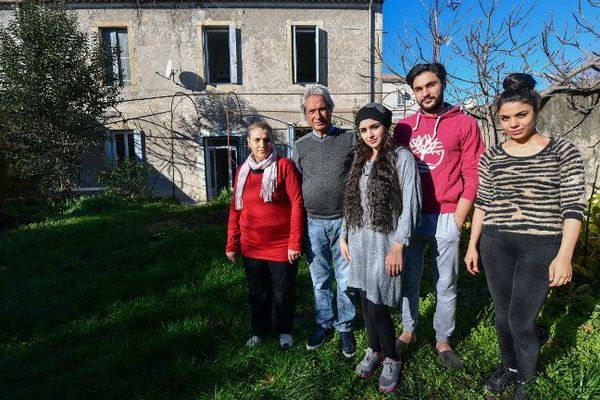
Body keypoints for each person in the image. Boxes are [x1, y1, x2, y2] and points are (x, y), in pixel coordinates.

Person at [464, 73, 586, 400]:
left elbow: (574, 207)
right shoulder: (491, 156)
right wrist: (473, 244)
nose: (513, 124)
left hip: (540, 246)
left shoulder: (564, 152)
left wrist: (564, 255)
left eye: (521, 115)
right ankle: (510, 367)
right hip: (495, 244)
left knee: (520, 320)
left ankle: (526, 381)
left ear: (535, 110)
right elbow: (484, 203)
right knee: (502, 317)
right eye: (505, 118)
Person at [394, 62, 485, 369]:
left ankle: (442, 339)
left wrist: (459, 217)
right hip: (412, 215)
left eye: (430, 85)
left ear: (443, 83)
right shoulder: (403, 127)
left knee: (446, 283)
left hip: (447, 214)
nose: (425, 93)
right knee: (411, 278)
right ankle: (408, 330)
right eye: (418, 89)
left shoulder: (465, 124)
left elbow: (473, 174)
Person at [340, 103, 421, 393]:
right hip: (360, 241)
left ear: (386, 126)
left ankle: (392, 357)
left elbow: (411, 205)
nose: (369, 134)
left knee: (377, 305)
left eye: (374, 127)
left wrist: (399, 245)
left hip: (385, 243)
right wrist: (343, 235)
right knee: (364, 298)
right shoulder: (360, 159)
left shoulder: (402, 158)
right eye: (363, 129)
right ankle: (374, 349)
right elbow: (351, 202)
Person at [226, 121, 304, 351]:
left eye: (267, 139)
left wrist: (294, 242)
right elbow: (235, 209)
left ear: (273, 141)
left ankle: (285, 331)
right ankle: (259, 331)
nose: (263, 144)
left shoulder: (284, 166)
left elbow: (297, 204)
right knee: (258, 292)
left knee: (283, 292)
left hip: (281, 245)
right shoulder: (243, 171)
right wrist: (232, 243)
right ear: (249, 142)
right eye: (257, 140)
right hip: (252, 245)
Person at [293, 85, 357, 357]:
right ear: (306, 116)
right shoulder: (300, 146)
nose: (317, 115)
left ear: (330, 109)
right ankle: (324, 323)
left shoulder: (349, 139)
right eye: (311, 111)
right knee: (320, 279)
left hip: (343, 222)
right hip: (312, 223)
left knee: (344, 279)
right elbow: (296, 182)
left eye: (322, 108)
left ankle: (345, 327)